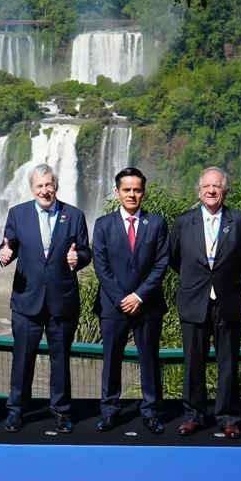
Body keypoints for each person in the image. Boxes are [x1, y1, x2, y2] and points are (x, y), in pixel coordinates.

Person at [0, 163, 90, 433]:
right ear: (32, 188)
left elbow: (86, 252)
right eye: (39, 186)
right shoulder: (18, 214)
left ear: (56, 185)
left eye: (49, 184)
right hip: (27, 301)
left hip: (62, 302)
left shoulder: (74, 215)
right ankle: (16, 410)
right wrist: (4, 255)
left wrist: (78, 258)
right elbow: (8, 246)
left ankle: (61, 411)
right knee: (22, 359)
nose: (45, 190)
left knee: (60, 360)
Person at [169, 166, 241, 439]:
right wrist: (199, 281)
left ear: (225, 191)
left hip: (228, 300)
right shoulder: (184, 221)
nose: (211, 191)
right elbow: (174, 258)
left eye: (216, 186)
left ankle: (228, 417)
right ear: (199, 191)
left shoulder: (240, 220)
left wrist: (224, 279)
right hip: (193, 300)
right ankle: (193, 416)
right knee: (192, 363)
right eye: (206, 186)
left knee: (228, 362)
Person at [92, 167, 168, 435]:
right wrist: (122, 298)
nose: (132, 194)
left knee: (149, 359)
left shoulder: (156, 223)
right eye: (127, 190)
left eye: (137, 190)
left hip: (147, 304)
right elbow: (101, 265)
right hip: (113, 306)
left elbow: (161, 263)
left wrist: (139, 295)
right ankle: (109, 411)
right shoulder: (103, 224)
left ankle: (151, 411)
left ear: (143, 193)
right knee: (111, 360)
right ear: (117, 192)